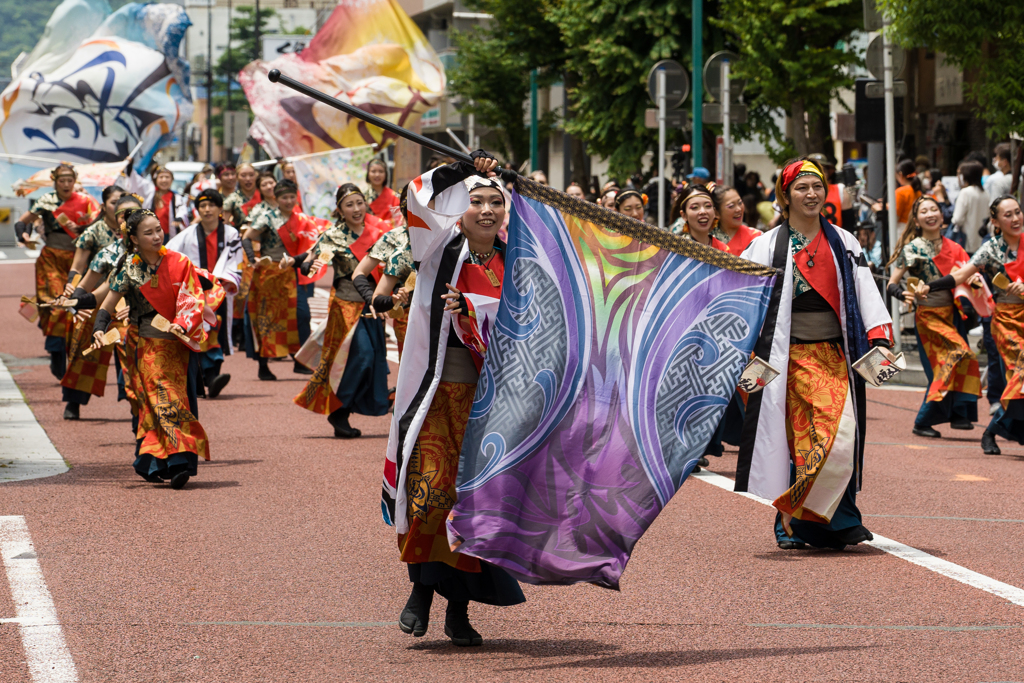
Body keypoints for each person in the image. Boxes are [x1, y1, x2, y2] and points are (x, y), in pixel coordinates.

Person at [384, 152, 525, 647]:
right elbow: (416, 197)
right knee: (430, 492)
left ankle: (458, 612)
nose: (486, 210)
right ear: (459, 209)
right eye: (475, 200)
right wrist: (464, 166)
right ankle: (421, 592)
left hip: (490, 404)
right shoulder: (437, 246)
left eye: (495, 202)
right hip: (437, 395)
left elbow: (529, 326)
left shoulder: (518, 261)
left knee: (474, 506)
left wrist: (472, 309)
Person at [738, 157, 894, 550]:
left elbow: (865, 291)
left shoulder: (844, 241)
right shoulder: (766, 246)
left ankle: (814, 520)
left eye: (817, 187)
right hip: (786, 358)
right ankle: (801, 519)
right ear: (785, 195)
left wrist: (879, 336)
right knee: (810, 439)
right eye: (802, 188)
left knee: (838, 435)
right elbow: (743, 302)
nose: (811, 194)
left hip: (836, 354)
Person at [92, 209, 210, 489]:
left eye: (159, 229)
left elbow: (193, 297)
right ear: (133, 238)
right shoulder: (129, 269)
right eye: (149, 232)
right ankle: (176, 461)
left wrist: (182, 322)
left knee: (172, 400)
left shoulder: (179, 262)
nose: (157, 236)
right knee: (160, 398)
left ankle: (158, 462)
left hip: (178, 344)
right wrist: (99, 328)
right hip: (148, 346)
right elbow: (107, 305)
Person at [294, 183, 391, 437]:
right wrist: (309, 266)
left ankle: (344, 410)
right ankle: (338, 410)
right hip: (346, 307)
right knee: (361, 357)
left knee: (370, 362)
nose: (356, 209)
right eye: (349, 204)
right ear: (340, 209)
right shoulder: (333, 236)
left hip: (373, 306)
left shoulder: (380, 231)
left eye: (360, 202)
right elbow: (312, 262)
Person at [886, 195, 981, 438]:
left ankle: (958, 415)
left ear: (942, 215)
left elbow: (968, 276)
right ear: (916, 220)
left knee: (953, 362)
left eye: (934, 209)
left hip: (953, 315)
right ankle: (925, 419)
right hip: (928, 317)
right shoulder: (912, 248)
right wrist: (903, 294)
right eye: (924, 211)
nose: (930, 214)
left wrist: (975, 280)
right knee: (957, 354)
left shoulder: (955, 247)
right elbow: (891, 283)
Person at [951, 195, 1024, 455]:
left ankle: (995, 430)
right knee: (1022, 374)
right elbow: (961, 274)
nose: (1015, 218)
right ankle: (991, 431)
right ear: (995, 221)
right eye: (1008, 215)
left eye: (1018, 212)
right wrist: (931, 287)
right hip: (1006, 321)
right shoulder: (990, 249)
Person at [15, 163, 101, 380]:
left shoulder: (86, 201)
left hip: (79, 260)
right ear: (54, 181)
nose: (65, 184)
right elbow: (22, 222)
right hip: (52, 259)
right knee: (56, 305)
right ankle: (55, 353)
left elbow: (98, 225)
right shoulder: (46, 201)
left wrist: (80, 229)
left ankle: (70, 352)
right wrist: (24, 236)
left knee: (76, 305)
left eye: (69, 180)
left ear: (75, 181)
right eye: (61, 180)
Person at [55, 185, 125, 420]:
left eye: (123, 203)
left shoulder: (137, 233)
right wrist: (73, 292)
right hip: (96, 298)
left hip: (129, 301)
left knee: (132, 347)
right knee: (84, 349)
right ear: (104, 206)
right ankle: (73, 401)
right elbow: (77, 267)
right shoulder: (93, 232)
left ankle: (134, 398)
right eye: (114, 203)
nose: (119, 208)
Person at [165, 189, 243, 398]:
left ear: (220, 209)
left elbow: (235, 262)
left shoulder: (231, 233)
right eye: (202, 206)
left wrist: (221, 282)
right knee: (197, 331)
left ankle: (209, 378)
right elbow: (170, 253)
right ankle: (206, 379)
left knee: (213, 329)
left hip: (219, 290)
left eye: (211, 205)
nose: (206, 210)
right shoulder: (188, 233)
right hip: (194, 291)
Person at [242, 179, 304, 380]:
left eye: (291, 197)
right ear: (276, 198)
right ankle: (263, 365)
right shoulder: (268, 217)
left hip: (290, 273)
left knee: (297, 316)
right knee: (266, 320)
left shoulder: (301, 219)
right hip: (269, 275)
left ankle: (299, 359)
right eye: (284, 197)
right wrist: (253, 259)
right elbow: (246, 237)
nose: (288, 201)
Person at [353, 188, 414, 356]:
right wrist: (373, 300)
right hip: (407, 314)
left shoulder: (446, 237)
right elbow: (359, 273)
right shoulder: (394, 238)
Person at [669, 185, 727, 249]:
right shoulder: (677, 249)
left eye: (708, 206)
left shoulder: (723, 249)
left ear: (714, 212)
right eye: (695, 207)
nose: (703, 211)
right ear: (684, 215)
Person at [711, 185, 762, 255]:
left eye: (740, 203)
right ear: (716, 213)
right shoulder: (708, 240)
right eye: (731, 206)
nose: (739, 209)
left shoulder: (756, 237)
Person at [953, 160, 990, 255]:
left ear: (965, 175)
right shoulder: (986, 194)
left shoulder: (965, 192)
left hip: (966, 242)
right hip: (982, 242)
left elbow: (957, 219)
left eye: (959, 174)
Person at [223, 163, 260, 227]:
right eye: (243, 175)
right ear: (237, 178)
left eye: (251, 175)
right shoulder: (232, 198)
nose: (248, 179)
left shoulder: (264, 195)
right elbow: (224, 223)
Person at [365, 157, 399, 226]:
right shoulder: (361, 195)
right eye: (373, 171)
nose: (377, 175)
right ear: (368, 173)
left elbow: (398, 220)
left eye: (381, 171)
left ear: (386, 174)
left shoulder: (393, 196)